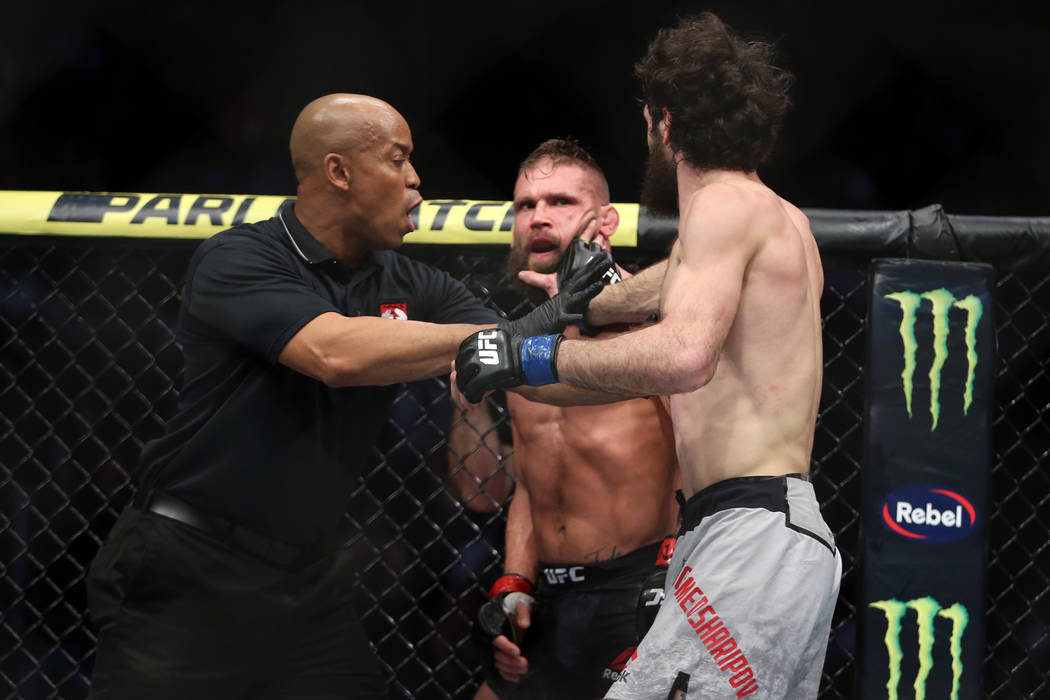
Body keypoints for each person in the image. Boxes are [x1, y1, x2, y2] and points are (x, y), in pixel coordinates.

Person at [85, 93, 610, 700]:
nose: (416, 178)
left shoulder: (410, 280)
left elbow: (526, 364)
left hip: (307, 577)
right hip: (188, 564)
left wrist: (630, 345)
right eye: (398, 159)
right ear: (339, 172)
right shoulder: (240, 258)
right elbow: (333, 355)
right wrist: (511, 335)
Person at [455, 13, 841, 699]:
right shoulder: (777, 217)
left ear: (662, 123)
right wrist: (567, 313)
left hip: (747, 534)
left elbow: (684, 353)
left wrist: (532, 357)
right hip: (761, 531)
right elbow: (648, 301)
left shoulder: (721, 207)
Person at [448, 139, 680, 700]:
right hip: (548, 600)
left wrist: (675, 581)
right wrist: (515, 582)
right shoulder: (514, 340)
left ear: (605, 221)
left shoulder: (657, 326)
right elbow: (508, 487)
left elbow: (706, 460)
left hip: (643, 587)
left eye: (559, 201)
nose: (539, 217)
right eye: (525, 205)